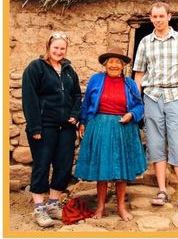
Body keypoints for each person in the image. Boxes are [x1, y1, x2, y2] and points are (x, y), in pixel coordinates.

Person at [133, 2, 178, 216]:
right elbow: (139, 74)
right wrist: (138, 100)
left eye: (161, 16)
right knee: (155, 144)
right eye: (154, 16)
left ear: (169, 16)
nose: (157, 20)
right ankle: (162, 191)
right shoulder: (145, 42)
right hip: (152, 96)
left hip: (176, 96)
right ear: (151, 18)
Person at [74, 46, 147, 221]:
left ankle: (121, 206)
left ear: (123, 66)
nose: (114, 65)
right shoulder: (96, 79)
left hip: (124, 128)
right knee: (102, 169)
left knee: (122, 171)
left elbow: (139, 105)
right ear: (106, 65)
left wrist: (131, 114)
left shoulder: (129, 83)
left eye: (118, 62)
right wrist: (82, 122)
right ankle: (100, 206)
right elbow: (87, 103)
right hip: (101, 127)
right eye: (111, 62)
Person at [22, 32, 82, 228]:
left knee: (63, 165)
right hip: (44, 126)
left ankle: (53, 204)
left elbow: (76, 95)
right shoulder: (36, 68)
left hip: (65, 127)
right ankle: (39, 209)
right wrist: (35, 127)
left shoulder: (69, 71)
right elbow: (29, 98)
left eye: (62, 48)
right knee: (41, 165)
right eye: (55, 47)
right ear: (48, 47)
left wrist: (75, 114)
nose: (59, 51)